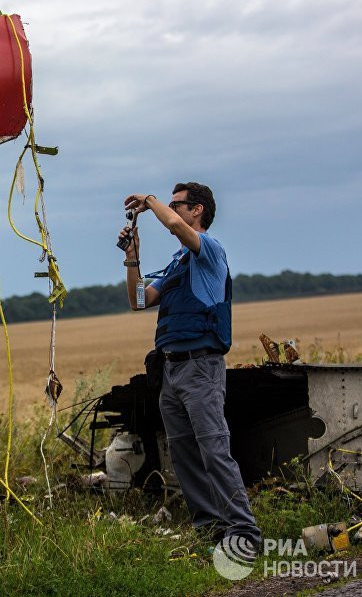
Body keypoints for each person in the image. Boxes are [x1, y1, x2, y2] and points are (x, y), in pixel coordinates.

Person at [118, 182, 261, 554]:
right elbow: (138, 300)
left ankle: (244, 533)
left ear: (197, 210)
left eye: (177, 204)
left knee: (214, 450)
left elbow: (177, 228)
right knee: (184, 456)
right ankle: (209, 531)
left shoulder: (210, 250)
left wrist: (149, 201)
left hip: (201, 367)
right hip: (171, 370)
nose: (171, 209)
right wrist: (132, 258)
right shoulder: (177, 263)